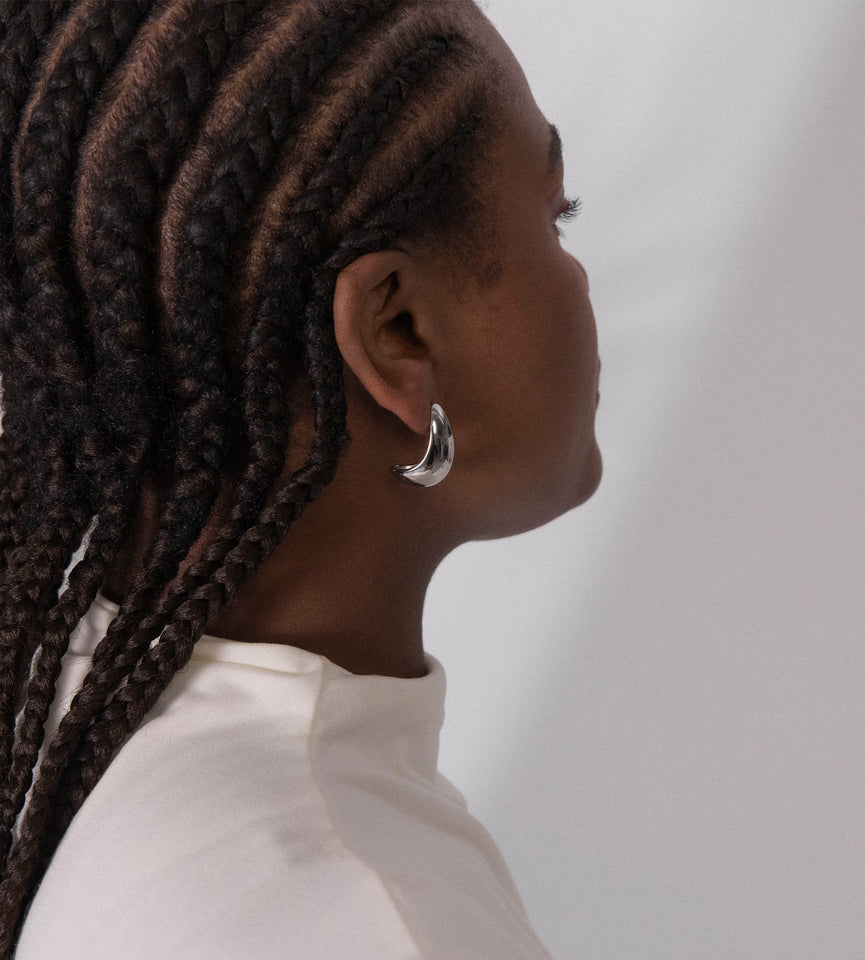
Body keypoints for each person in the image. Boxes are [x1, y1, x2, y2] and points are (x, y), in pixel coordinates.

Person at [0, 0, 601, 956]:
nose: (582, 278)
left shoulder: (61, 705)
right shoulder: (364, 909)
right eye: (556, 215)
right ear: (398, 333)